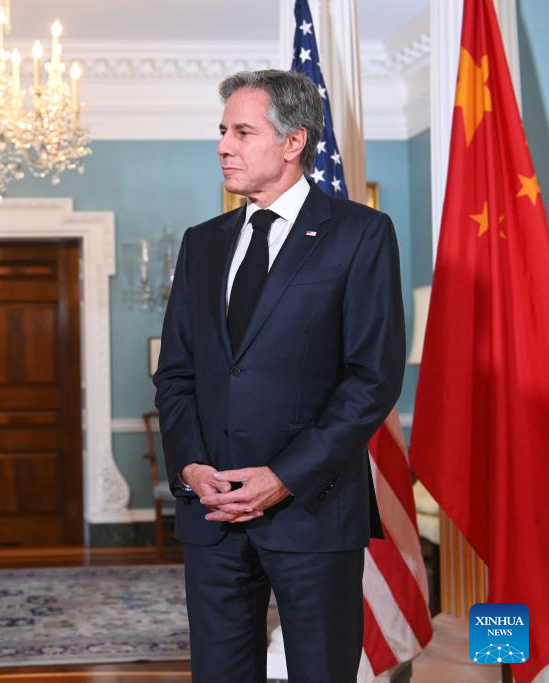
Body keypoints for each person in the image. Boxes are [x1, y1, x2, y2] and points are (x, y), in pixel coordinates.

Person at [153, 69, 405, 682]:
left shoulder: (360, 233)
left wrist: (283, 477)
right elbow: (176, 373)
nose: (223, 146)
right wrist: (190, 466)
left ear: (293, 142)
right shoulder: (202, 243)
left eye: (242, 131)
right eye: (221, 131)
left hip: (313, 510)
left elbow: (371, 378)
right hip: (212, 514)